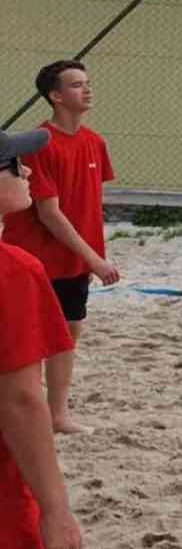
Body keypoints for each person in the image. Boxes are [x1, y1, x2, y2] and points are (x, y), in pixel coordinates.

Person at [1, 61, 118, 435]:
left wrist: (90, 256)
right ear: (55, 96)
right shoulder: (41, 144)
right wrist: (94, 259)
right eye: (76, 84)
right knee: (31, 336)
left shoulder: (94, 141)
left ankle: (58, 415)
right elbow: (49, 214)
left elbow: (90, 204)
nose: (87, 89)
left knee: (70, 329)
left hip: (74, 257)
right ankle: (27, 412)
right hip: (35, 255)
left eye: (88, 82)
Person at [1, 127, 84, 549]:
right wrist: (56, 510)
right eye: (15, 165)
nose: (28, 171)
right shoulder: (12, 270)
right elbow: (19, 401)